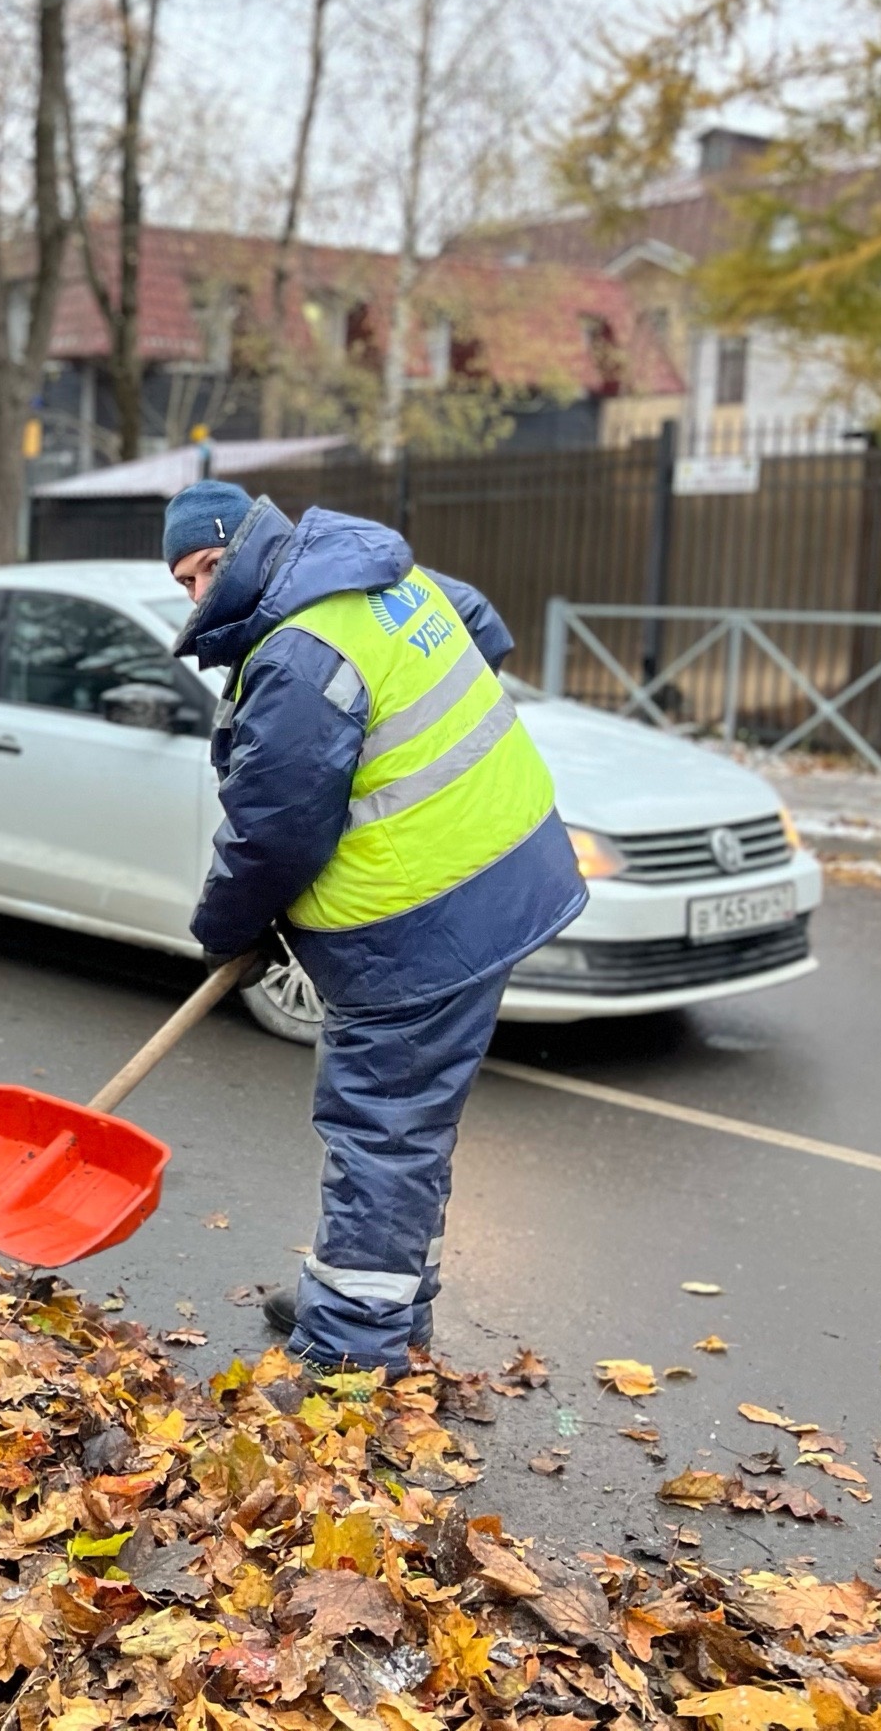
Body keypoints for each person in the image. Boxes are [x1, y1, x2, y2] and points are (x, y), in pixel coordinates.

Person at [163, 480, 586, 1379]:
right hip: (500, 879)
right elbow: (483, 627)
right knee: (410, 1128)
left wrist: (224, 926)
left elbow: (274, 831)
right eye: (185, 584)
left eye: (205, 570)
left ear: (248, 544)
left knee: (383, 1130)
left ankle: (353, 1348)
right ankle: (379, 1300)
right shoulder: (382, 576)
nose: (199, 597)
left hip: (419, 927)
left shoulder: (299, 653)